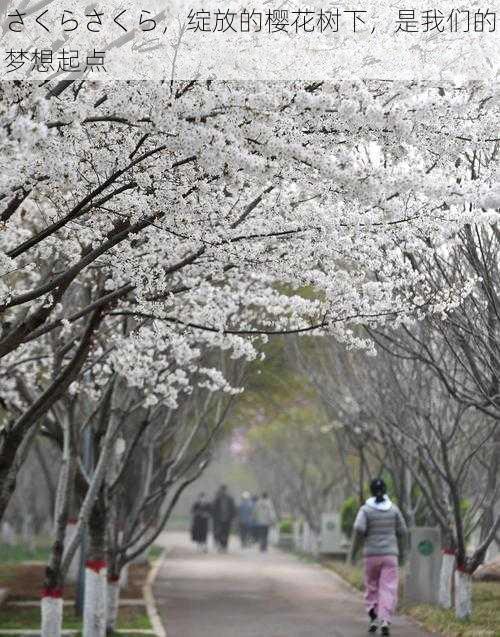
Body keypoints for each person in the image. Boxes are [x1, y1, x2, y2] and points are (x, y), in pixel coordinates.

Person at [351, 478, 408, 636]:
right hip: (390, 555)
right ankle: (385, 620)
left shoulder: (365, 510)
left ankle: (373, 616)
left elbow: (358, 527)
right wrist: (401, 550)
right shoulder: (394, 509)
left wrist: (356, 548)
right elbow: (403, 530)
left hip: (371, 554)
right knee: (388, 588)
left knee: (372, 586)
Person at [212, 485, 236, 552]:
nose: (224, 491)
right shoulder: (217, 499)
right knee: (219, 533)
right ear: (221, 490)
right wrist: (215, 518)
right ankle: (220, 546)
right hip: (219, 520)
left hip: (227, 519)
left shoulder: (230, 499)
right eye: (222, 490)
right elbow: (213, 509)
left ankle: (225, 546)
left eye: (224, 490)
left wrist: (233, 518)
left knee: (226, 533)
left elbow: (233, 509)